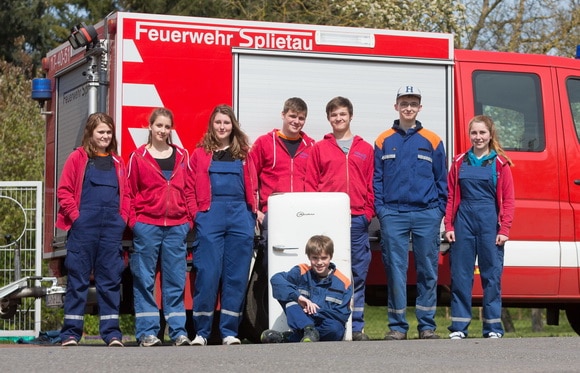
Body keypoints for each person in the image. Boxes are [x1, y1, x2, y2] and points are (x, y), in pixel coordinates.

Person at [373, 85, 448, 340]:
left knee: (427, 270)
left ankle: (427, 325)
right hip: (393, 214)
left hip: (427, 213)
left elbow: (442, 181)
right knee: (395, 270)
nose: (408, 108)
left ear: (419, 107)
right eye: (404, 103)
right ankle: (397, 326)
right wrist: (382, 211)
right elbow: (377, 179)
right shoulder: (383, 140)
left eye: (413, 103)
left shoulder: (433, 140)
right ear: (396, 106)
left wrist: (438, 212)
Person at [57, 112, 129, 347]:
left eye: (109, 132)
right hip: (83, 227)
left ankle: (112, 334)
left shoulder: (118, 163)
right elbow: (64, 191)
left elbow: (127, 195)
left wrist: (122, 219)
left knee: (109, 281)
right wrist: (76, 218)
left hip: (111, 228)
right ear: (90, 133)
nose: (105, 136)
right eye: (101, 132)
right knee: (77, 280)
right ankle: (70, 333)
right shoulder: (77, 158)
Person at [305, 96, 374, 341]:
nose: (338, 119)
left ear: (350, 116)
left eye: (342, 114)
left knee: (357, 274)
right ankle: (328, 324)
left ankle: (356, 327)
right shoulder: (319, 149)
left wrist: (366, 214)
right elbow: (311, 184)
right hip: (328, 221)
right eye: (334, 115)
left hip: (356, 220)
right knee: (325, 274)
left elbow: (371, 184)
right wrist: (318, 214)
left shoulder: (365, 148)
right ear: (329, 119)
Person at [189, 104, 258, 346]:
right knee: (208, 274)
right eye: (218, 122)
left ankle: (229, 332)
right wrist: (197, 214)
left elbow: (254, 185)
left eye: (226, 123)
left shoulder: (244, 154)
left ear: (233, 126)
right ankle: (202, 333)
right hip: (210, 215)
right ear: (212, 124)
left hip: (240, 215)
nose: (222, 127)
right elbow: (189, 188)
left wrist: (252, 213)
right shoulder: (199, 154)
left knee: (236, 277)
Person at [444, 115, 515, 340]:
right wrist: (449, 225)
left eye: (482, 133)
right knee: (461, 276)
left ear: (490, 135)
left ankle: (493, 328)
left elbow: (510, 201)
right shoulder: (459, 162)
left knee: (491, 276)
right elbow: (451, 196)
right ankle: (459, 327)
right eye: (474, 133)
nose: (478, 137)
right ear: (469, 135)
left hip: (489, 224)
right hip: (463, 222)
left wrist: (504, 229)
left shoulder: (501, 164)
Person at [127, 108, 193, 347]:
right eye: (159, 126)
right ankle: (147, 333)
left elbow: (190, 190)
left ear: (171, 130)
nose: (163, 131)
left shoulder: (183, 156)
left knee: (175, 281)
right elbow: (129, 192)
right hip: (147, 226)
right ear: (150, 127)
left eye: (167, 127)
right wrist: (135, 222)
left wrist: (188, 221)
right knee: (144, 280)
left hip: (177, 227)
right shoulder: (138, 156)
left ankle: (178, 332)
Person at [250, 97, 315, 254]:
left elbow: (317, 180)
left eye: (301, 118)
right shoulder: (264, 143)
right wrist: (255, 211)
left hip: (303, 213)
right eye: (292, 116)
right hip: (273, 212)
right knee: (271, 258)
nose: (296, 121)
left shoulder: (312, 146)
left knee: (300, 256)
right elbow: (250, 177)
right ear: (283, 115)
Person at [260, 235, 353, 343]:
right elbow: (276, 279)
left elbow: (342, 315)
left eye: (324, 258)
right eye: (315, 258)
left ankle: (288, 337)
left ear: (330, 257)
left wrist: (314, 311)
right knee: (287, 296)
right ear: (309, 257)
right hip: (303, 320)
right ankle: (308, 330)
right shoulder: (301, 271)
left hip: (326, 324)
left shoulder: (344, 282)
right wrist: (298, 297)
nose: (319, 262)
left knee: (335, 329)